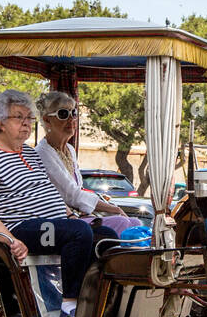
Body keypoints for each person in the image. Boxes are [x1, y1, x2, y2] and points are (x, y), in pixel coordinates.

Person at [0, 89, 95, 317]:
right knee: (79, 234)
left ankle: (94, 300)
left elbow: (45, 191)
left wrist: (71, 214)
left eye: (29, 118)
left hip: (49, 224)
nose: (26, 124)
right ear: (0, 122)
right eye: (19, 117)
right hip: (21, 228)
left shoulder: (27, 151)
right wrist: (11, 240)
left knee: (103, 234)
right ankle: (69, 306)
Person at [33, 91, 142, 236]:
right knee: (121, 222)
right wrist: (113, 208)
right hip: (59, 219)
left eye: (74, 113)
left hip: (79, 214)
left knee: (135, 223)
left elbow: (79, 190)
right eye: (63, 114)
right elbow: (71, 194)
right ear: (47, 120)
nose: (71, 119)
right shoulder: (43, 152)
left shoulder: (69, 150)